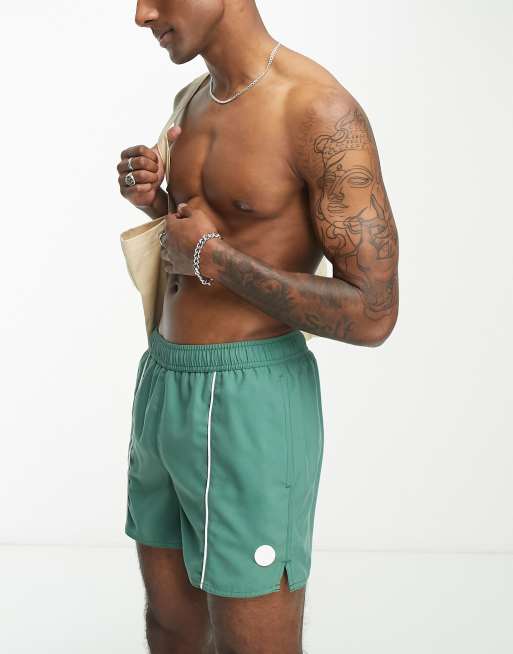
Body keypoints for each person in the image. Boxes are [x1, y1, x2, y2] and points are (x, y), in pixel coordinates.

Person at [116, 1, 399, 652]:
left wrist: (216, 259)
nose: (142, 13)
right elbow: (200, 239)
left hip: (251, 400)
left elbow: (373, 312)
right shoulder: (193, 97)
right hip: (164, 381)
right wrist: (156, 203)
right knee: (169, 625)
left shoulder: (319, 113)